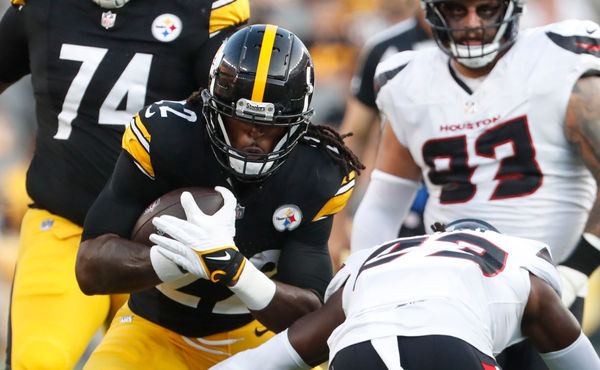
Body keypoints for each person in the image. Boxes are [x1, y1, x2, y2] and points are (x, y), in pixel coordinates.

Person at [75, 24, 364, 369]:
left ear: (297, 124)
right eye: (240, 122)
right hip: (154, 328)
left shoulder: (318, 171)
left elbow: (311, 321)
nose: (251, 140)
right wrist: (174, 257)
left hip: (253, 340)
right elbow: (89, 268)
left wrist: (233, 270)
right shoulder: (168, 137)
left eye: (270, 127)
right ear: (212, 108)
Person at [350, 0, 600, 368]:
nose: (471, 24)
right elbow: (385, 200)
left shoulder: (560, 60)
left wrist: (578, 266)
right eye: (456, 10)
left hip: (551, 285)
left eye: (486, 10)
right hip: (448, 292)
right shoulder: (407, 80)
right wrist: (365, 278)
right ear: (432, 11)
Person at [0, 0, 250, 368]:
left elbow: (241, 114)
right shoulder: (43, 8)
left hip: (159, 239)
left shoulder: (201, 11)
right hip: (64, 223)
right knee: (38, 358)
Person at [210, 219, 600, 370]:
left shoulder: (370, 265)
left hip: (356, 355)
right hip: (449, 348)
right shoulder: (520, 265)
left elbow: (269, 359)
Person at [329, 3, 433, 268]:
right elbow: (353, 139)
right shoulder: (384, 49)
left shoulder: (492, 48)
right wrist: (335, 223)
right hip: (399, 199)